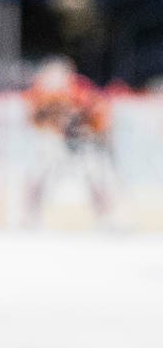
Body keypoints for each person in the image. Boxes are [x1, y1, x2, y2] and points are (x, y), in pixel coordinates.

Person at [23, 55, 117, 228]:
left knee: (94, 172)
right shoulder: (38, 92)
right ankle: (29, 215)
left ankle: (106, 216)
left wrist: (91, 134)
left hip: (82, 140)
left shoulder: (81, 90)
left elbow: (99, 116)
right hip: (54, 140)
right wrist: (54, 131)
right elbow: (34, 121)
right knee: (38, 170)